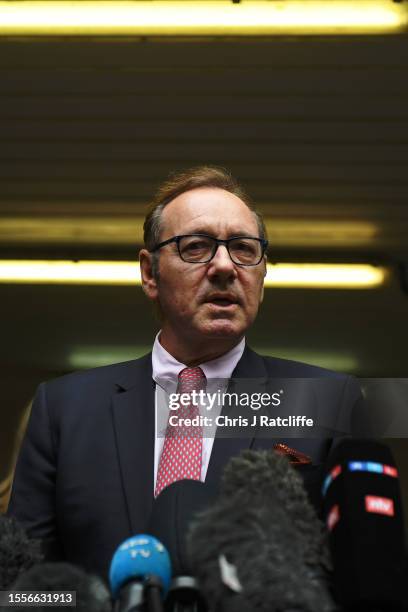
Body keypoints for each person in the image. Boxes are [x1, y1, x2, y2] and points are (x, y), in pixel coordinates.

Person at [8, 166, 361, 579]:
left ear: (263, 273)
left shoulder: (328, 400)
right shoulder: (65, 409)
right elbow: (20, 591)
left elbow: (357, 583)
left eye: (245, 248)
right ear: (149, 272)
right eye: (196, 246)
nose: (226, 266)